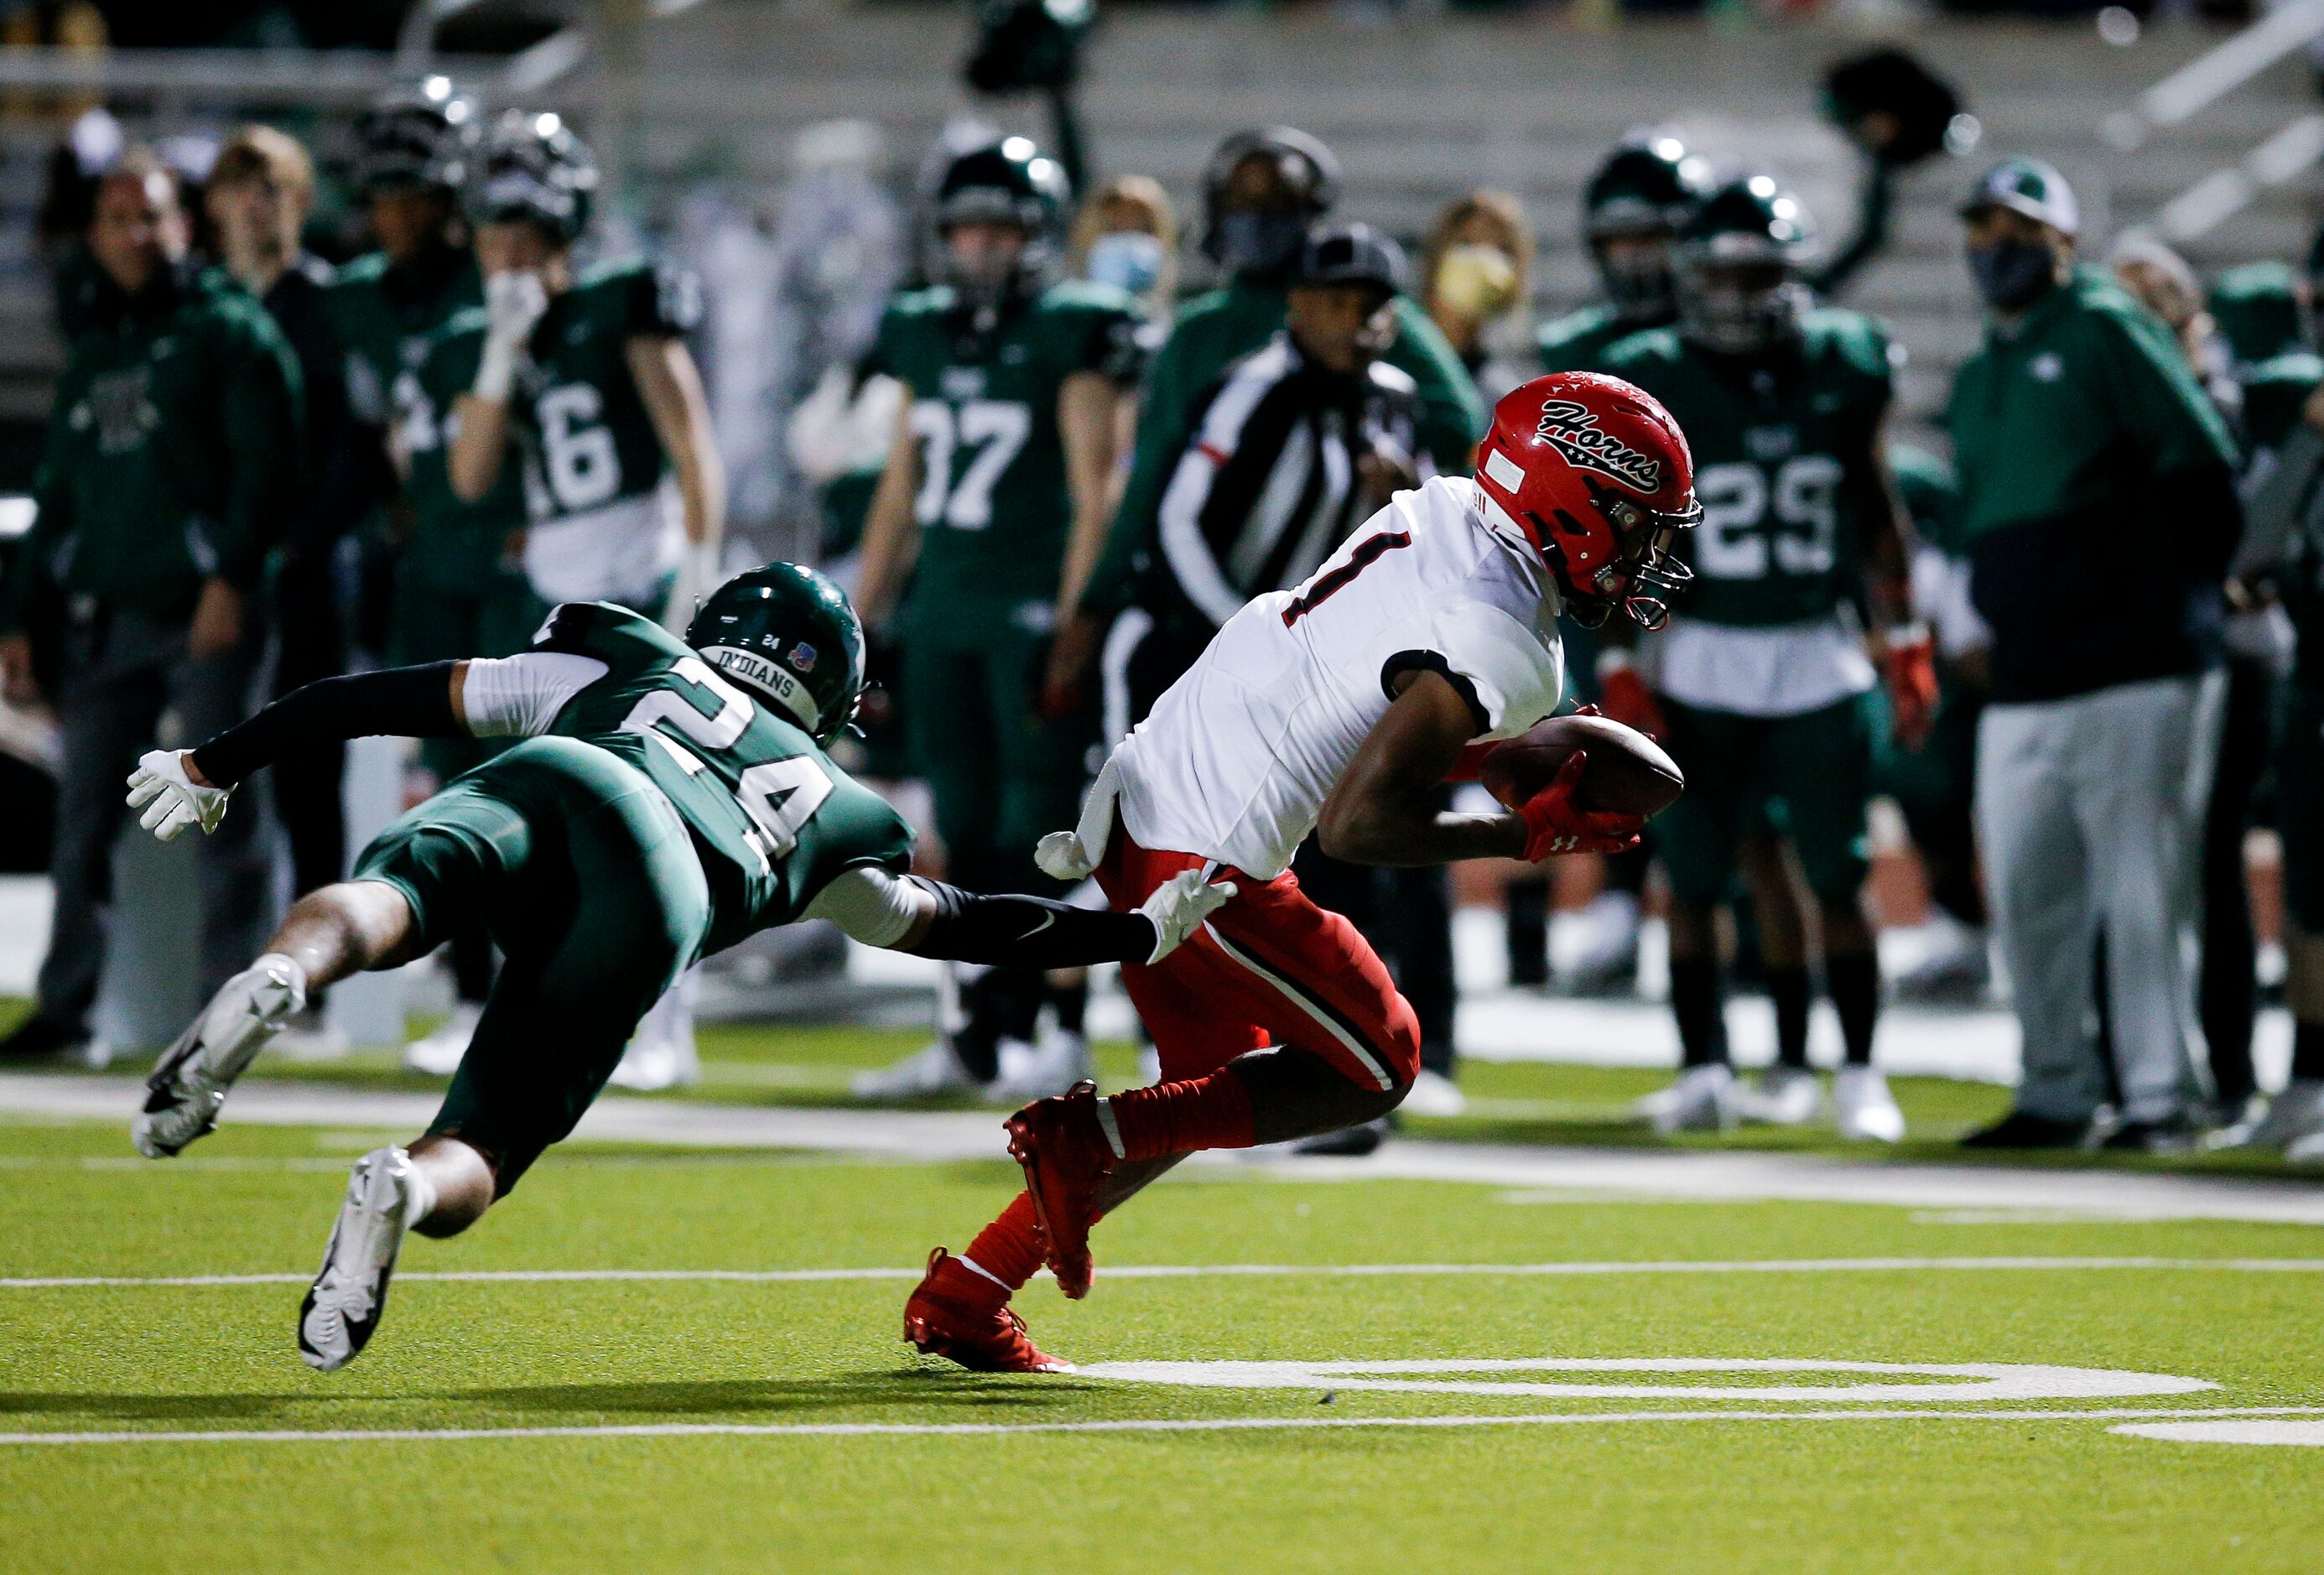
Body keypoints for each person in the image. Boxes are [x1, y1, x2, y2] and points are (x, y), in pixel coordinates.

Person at [127, 564, 1232, 1373]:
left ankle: (279, 978)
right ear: (834, 695)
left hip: (571, 765)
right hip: (662, 890)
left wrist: (212, 760)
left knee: (397, 894)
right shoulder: (839, 809)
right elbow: (966, 922)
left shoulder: (626, 652)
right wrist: (1129, 934)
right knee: (488, 1140)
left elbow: (373, 698)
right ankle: (403, 1186)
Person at [902, 372, 1697, 1372]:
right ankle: (1078, 1136)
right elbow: (1360, 827)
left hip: (1154, 784)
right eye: (1635, 524)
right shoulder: (1500, 631)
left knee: (1205, 1095)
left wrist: (1490, 760)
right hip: (1208, 854)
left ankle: (967, 1292)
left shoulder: (1447, 508)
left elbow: (1361, 694)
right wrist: (1522, 838)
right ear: (1570, 499)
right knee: (1379, 1059)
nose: (1647, 553)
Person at [1599, 175, 1931, 1140]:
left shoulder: (1841, 360)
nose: (1742, 294)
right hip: (1698, 653)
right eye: (1724, 273)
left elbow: (1876, 511)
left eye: (1760, 272)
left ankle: (1860, 1072)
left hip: (1815, 648)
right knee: (1692, 876)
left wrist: (1905, 638)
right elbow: (1629, 537)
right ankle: (1703, 1067)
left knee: (1836, 874)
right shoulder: (1651, 370)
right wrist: (1622, 661)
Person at [1946, 159, 2240, 1152]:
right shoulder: (1981, 368)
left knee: (2141, 894)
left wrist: (2158, 601)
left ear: (2062, 240)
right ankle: (2054, 1087)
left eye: (2016, 229)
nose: (1994, 247)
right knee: (2029, 892)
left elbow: (2201, 464)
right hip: (2030, 669)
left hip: (2134, 659)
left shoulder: (2106, 327)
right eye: (1980, 229)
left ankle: (2160, 1096)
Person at [1142, 221, 1461, 1126]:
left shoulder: (1395, 398)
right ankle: (1198, 1041)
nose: (1350, 321)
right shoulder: (1252, 387)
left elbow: (1436, 530)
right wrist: (1236, 636)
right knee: (1206, 848)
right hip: (1217, 653)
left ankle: (1374, 1045)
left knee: (1353, 854)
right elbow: (1177, 521)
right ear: (1296, 304)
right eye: (1333, 301)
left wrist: (1396, 495)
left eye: (1368, 305)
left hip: (1343, 675)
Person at [847, 137, 1143, 1105]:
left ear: (1036, 236)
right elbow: (901, 488)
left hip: (1025, 615)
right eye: (963, 228)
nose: (976, 248)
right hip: (945, 614)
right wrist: (862, 612)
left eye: (996, 227)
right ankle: (972, 1033)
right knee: (959, 833)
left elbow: (1093, 490)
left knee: (1040, 831)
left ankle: (1051, 1032)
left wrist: (1073, 617)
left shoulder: (1071, 327)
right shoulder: (925, 330)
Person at [439, 108, 727, 1091]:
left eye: (527, 233)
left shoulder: (622, 299)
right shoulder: (493, 333)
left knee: (662, 812)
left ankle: (665, 1024)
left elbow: (692, 447)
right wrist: (496, 353)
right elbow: (470, 478)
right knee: (546, 818)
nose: (511, 253)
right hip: (551, 603)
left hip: (635, 584)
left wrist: (696, 580)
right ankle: (547, 1014)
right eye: (497, 233)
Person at [0, 149, 300, 1066]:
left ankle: (229, 1012)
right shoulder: (97, 349)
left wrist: (231, 582)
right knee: (83, 813)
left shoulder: (230, 330)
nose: (138, 233)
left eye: (153, 216)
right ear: (93, 234)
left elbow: (270, 474)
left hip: (207, 611)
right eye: (119, 217)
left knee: (221, 810)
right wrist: (19, 615)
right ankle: (68, 1004)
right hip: (113, 616)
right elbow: (60, 499)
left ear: (185, 227)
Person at [1078, 127, 1484, 702]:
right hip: (1205, 608)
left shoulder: (1362, 312)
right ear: (1299, 308)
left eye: (1278, 204)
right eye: (1243, 204)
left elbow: (1452, 419)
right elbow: (1156, 490)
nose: (1348, 323)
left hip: (1320, 619)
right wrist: (1097, 601)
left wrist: (1371, 457)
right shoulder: (1206, 336)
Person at [325, 80, 529, 1078]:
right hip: (426, 563)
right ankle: (470, 990)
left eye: (417, 193)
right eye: (385, 194)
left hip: (508, 562)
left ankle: (517, 993)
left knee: (517, 783)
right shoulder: (358, 298)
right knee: (448, 786)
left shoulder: (501, 274)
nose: (398, 214)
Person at [1528, 131, 1713, 994]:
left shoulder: (1713, 342)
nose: (1636, 259)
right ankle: (1567, 922)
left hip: (1709, 584)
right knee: (1568, 742)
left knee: (1711, 769)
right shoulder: (1579, 343)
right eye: (1621, 240)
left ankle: (1731, 932)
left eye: (1652, 237)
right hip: (1598, 581)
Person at [206, 126, 368, 1051]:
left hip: (306, 570)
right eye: (239, 184)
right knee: (220, 769)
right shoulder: (208, 306)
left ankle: (318, 986)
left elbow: (353, 447)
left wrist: (299, 549)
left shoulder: (325, 305)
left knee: (311, 780)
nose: (254, 201)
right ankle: (222, 968)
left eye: (270, 184)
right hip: (226, 571)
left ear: (299, 199)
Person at [1421, 189, 1533, 401]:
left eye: (1501, 250)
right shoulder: (1395, 359)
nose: (1483, 260)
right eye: (1467, 244)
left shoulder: (1504, 394)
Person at [1067, 173, 1177, 319]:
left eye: (1136, 216)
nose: (1127, 221)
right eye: (1119, 214)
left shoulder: (1154, 252)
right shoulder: (1096, 250)